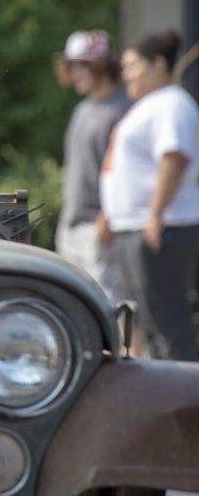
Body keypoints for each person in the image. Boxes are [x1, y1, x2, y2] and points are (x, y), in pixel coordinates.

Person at [99, 29, 199, 360]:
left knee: (167, 323)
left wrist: (155, 214)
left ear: (157, 63)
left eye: (132, 65)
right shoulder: (148, 105)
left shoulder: (172, 104)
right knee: (142, 321)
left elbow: (175, 156)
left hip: (162, 228)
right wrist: (110, 214)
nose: (126, 73)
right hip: (136, 226)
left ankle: (181, 406)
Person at [53, 30, 129, 303]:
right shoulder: (82, 109)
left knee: (109, 303)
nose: (74, 72)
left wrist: (108, 215)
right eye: (71, 65)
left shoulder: (122, 110)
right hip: (71, 223)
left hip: (100, 225)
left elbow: (124, 170)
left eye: (82, 64)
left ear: (103, 65)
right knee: (73, 302)